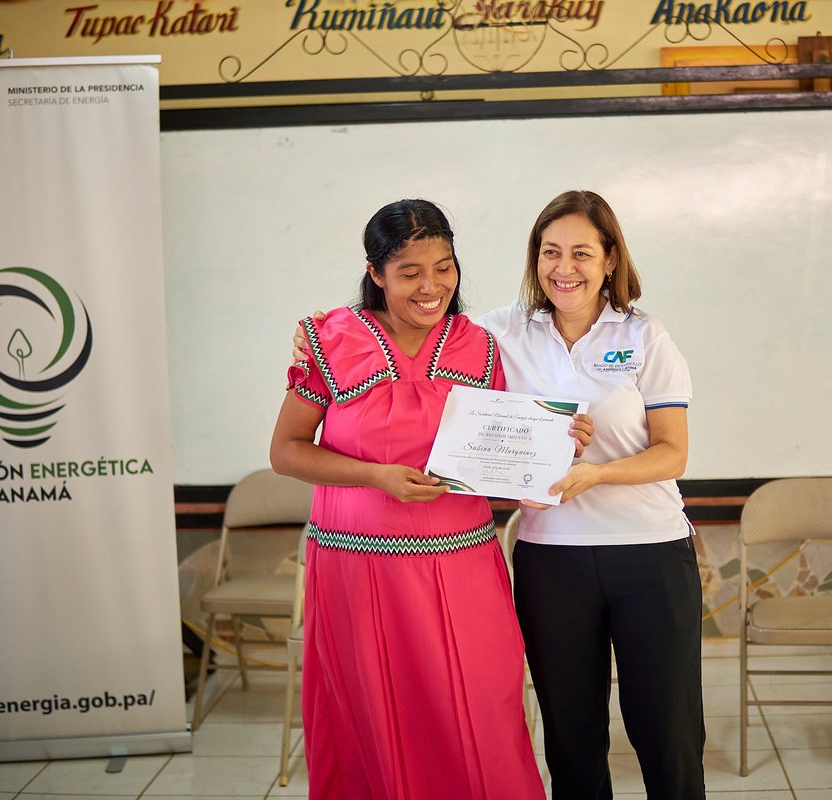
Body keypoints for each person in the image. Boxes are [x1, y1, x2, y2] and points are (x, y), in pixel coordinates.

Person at [296, 191, 704, 800]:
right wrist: (315, 341)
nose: (564, 268)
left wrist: (594, 472)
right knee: (570, 734)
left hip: (648, 548)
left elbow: (673, 453)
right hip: (552, 553)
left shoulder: (645, 335)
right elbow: (411, 330)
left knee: (665, 730)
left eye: (582, 253)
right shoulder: (495, 331)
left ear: (611, 259)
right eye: (550, 252)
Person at [270, 199, 590, 800]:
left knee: (478, 709)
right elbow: (286, 451)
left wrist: (551, 457)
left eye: (444, 267)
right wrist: (375, 477)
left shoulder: (482, 345)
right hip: (357, 571)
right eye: (410, 272)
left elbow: (494, 457)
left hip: (462, 563)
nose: (431, 286)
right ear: (375, 273)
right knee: (373, 713)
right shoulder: (329, 339)